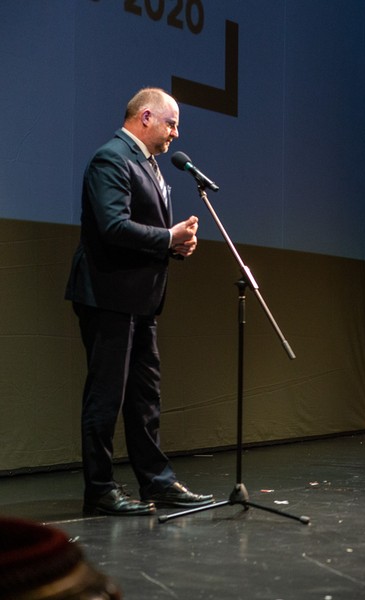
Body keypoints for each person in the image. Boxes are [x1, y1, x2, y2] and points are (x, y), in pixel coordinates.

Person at [65, 88, 213, 515]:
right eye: (172, 124)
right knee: (106, 396)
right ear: (145, 117)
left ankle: (157, 481)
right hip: (108, 295)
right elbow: (112, 227)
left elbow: (144, 230)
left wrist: (174, 245)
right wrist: (168, 237)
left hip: (141, 299)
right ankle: (100, 489)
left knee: (145, 396)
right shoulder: (111, 158)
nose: (176, 134)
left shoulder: (149, 165)